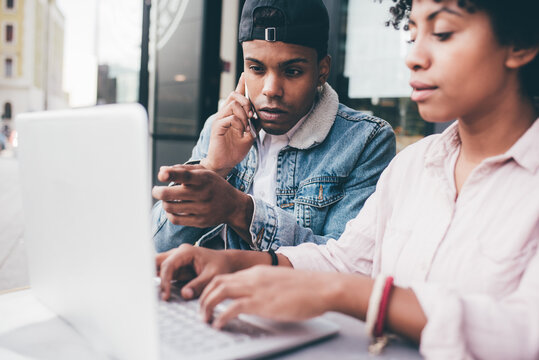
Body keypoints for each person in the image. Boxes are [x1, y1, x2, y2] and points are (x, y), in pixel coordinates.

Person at [156, 0, 539, 358]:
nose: (414, 58)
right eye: (411, 35)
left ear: (519, 42)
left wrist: (343, 294)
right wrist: (234, 264)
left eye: (442, 34)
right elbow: (345, 262)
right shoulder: (415, 165)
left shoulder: (370, 141)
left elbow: (524, 331)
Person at [151, 0, 395, 252]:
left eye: (292, 71)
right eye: (256, 68)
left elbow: (347, 262)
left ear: (322, 71)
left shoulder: (365, 140)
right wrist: (213, 168)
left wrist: (240, 210)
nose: (271, 90)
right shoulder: (220, 127)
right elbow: (158, 247)